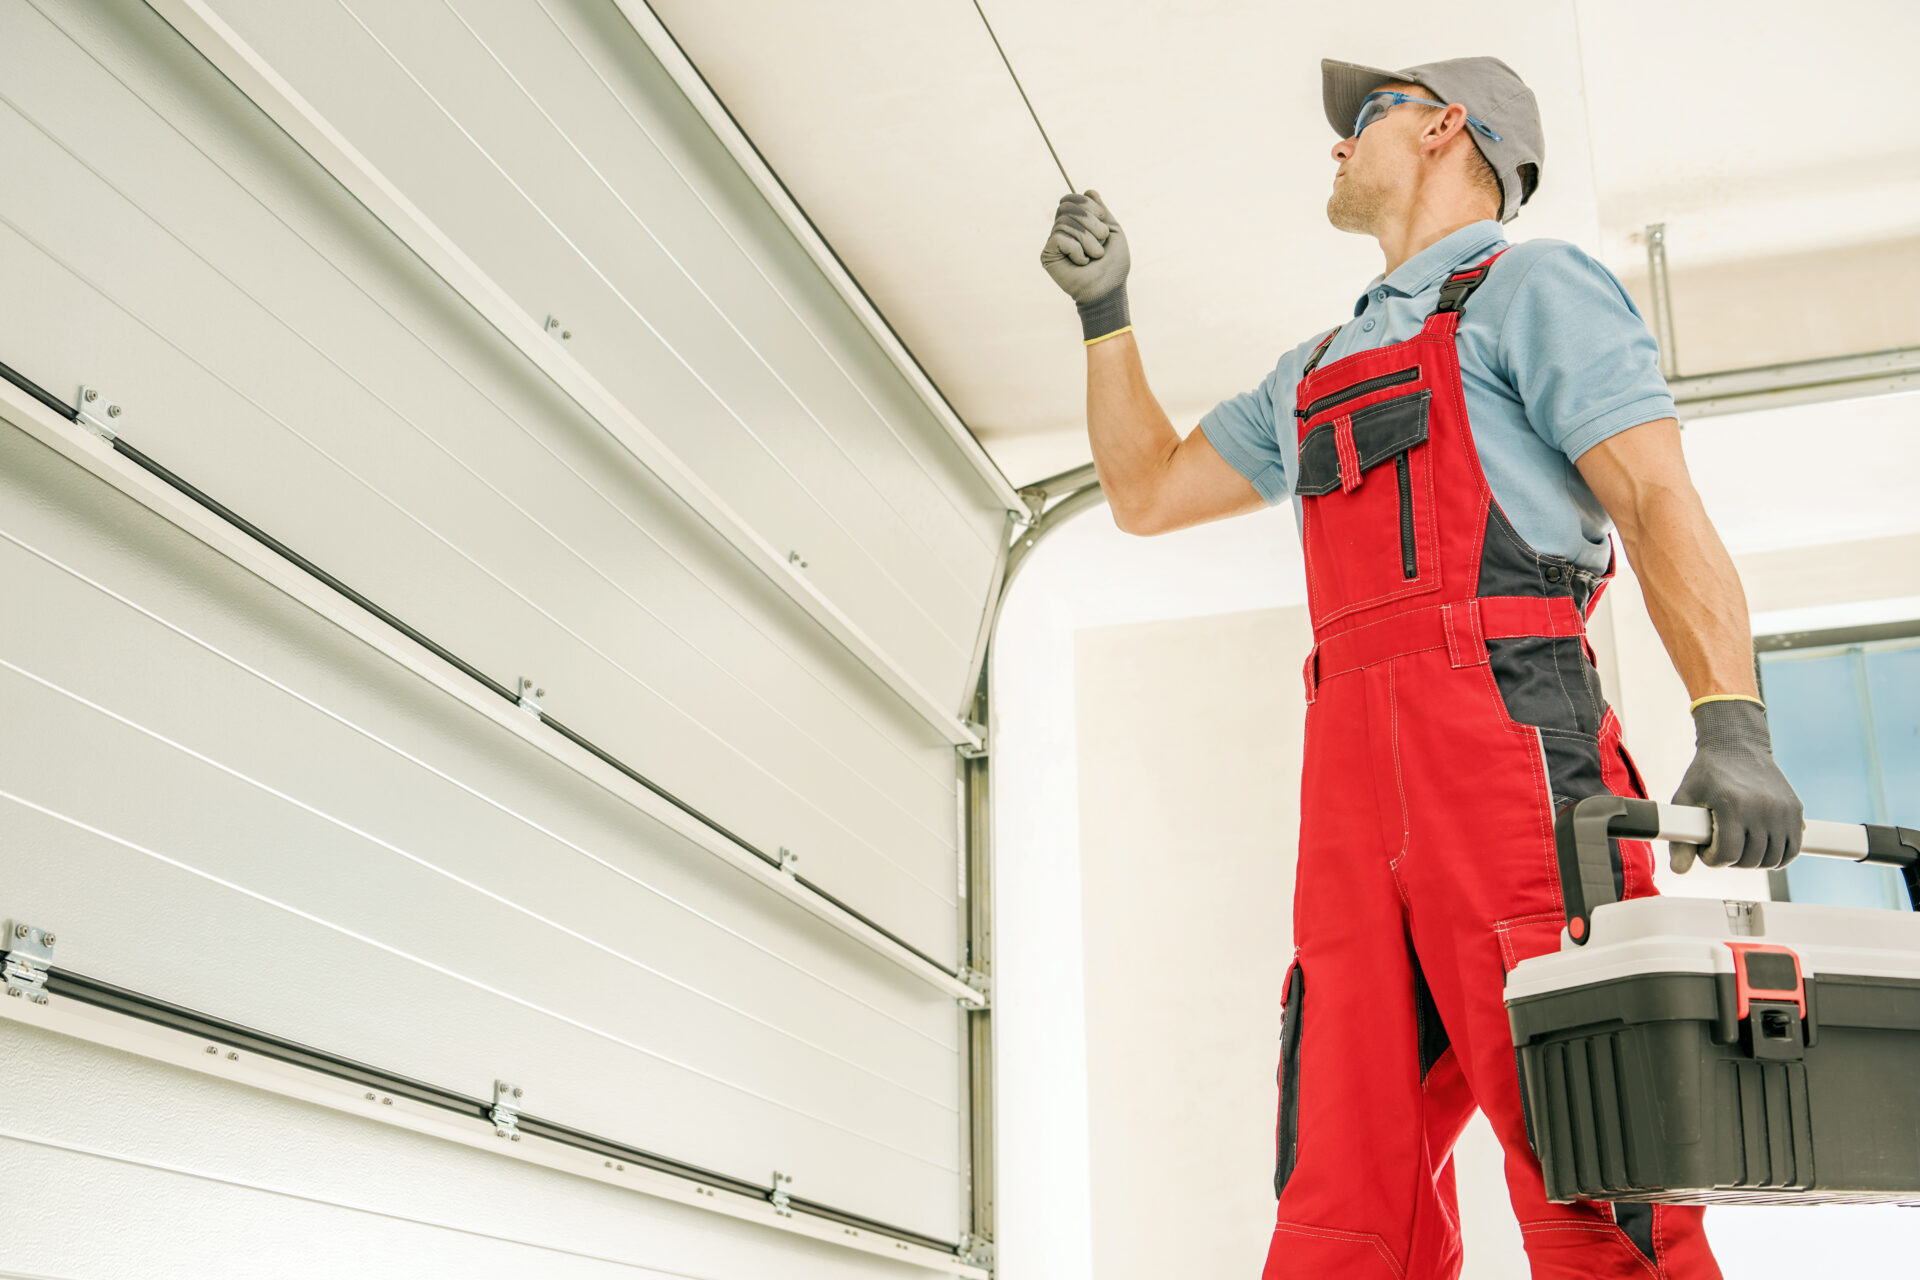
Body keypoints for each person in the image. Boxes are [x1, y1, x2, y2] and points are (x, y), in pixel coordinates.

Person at [1039, 55, 1804, 1280]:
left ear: (1448, 126)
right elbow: (1145, 492)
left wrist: (1733, 717)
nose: (1339, 141)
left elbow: (1656, 497)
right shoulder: (1319, 363)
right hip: (1348, 792)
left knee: (1598, 1162)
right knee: (1342, 1201)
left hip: (1508, 748)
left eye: (1367, 115)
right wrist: (1106, 316)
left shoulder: (1536, 287)